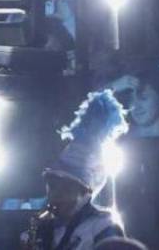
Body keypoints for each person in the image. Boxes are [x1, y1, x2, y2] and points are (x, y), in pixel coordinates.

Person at [24, 90, 128, 250]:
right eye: (52, 185)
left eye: (66, 187)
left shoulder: (104, 226)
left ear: (85, 193)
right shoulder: (43, 226)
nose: (55, 194)